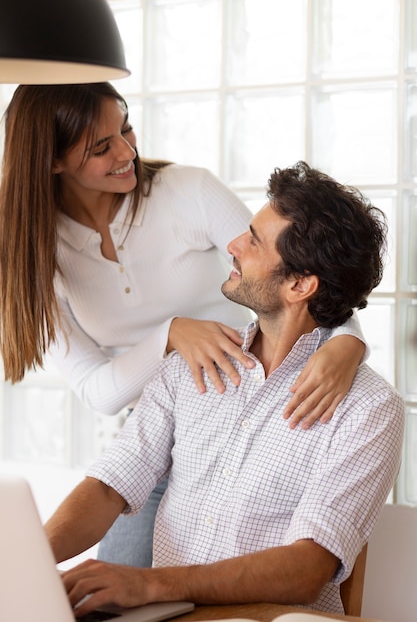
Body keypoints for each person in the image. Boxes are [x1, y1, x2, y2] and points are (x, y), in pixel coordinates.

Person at [0, 83, 365, 568]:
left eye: (126, 128)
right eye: (101, 147)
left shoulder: (187, 192)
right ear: (51, 161)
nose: (128, 151)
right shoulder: (28, 249)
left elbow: (294, 270)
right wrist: (169, 334)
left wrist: (349, 344)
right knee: (112, 590)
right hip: (156, 429)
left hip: (252, 403)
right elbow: (98, 390)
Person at [45, 161, 404, 617]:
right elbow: (109, 488)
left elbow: (307, 569)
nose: (232, 245)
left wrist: (150, 584)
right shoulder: (187, 369)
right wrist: (28, 560)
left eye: (253, 241)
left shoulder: (367, 409)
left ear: (299, 284)